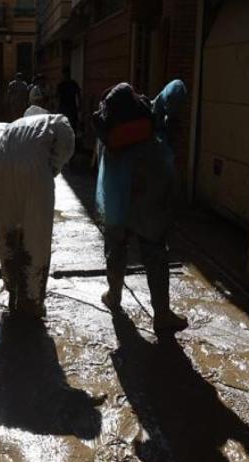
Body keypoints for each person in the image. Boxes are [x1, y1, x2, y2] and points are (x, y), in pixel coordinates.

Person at [94, 81, 188, 333]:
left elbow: (101, 171)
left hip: (117, 205)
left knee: (115, 250)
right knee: (155, 255)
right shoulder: (149, 118)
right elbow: (177, 88)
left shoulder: (109, 132)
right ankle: (162, 315)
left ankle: (114, 296)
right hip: (148, 201)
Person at [0, 107, 75, 317]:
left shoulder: (11, 128)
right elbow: (67, 140)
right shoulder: (55, 120)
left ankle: (12, 290)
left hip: (1, 173)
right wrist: (54, 166)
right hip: (35, 172)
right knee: (36, 236)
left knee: (7, 234)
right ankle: (32, 301)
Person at [56, 67, 82, 134]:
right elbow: (57, 97)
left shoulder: (73, 84)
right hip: (63, 107)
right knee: (64, 124)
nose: (66, 75)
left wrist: (80, 105)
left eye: (67, 74)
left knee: (73, 125)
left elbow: (79, 95)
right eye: (65, 74)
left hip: (72, 107)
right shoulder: (61, 85)